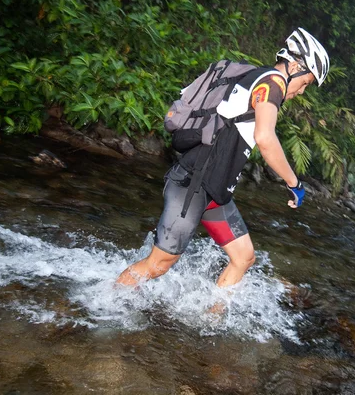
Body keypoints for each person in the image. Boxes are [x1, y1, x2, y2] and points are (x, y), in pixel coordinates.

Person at [116, 28, 329, 288]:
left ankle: (212, 321)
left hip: (213, 190)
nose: (303, 90)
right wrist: (294, 183)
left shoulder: (259, 77)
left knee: (244, 258)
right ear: (295, 65)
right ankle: (103, 303)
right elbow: (265, 138)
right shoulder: (272, 83)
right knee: (158, 265)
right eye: (305, 82)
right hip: (192, 184)